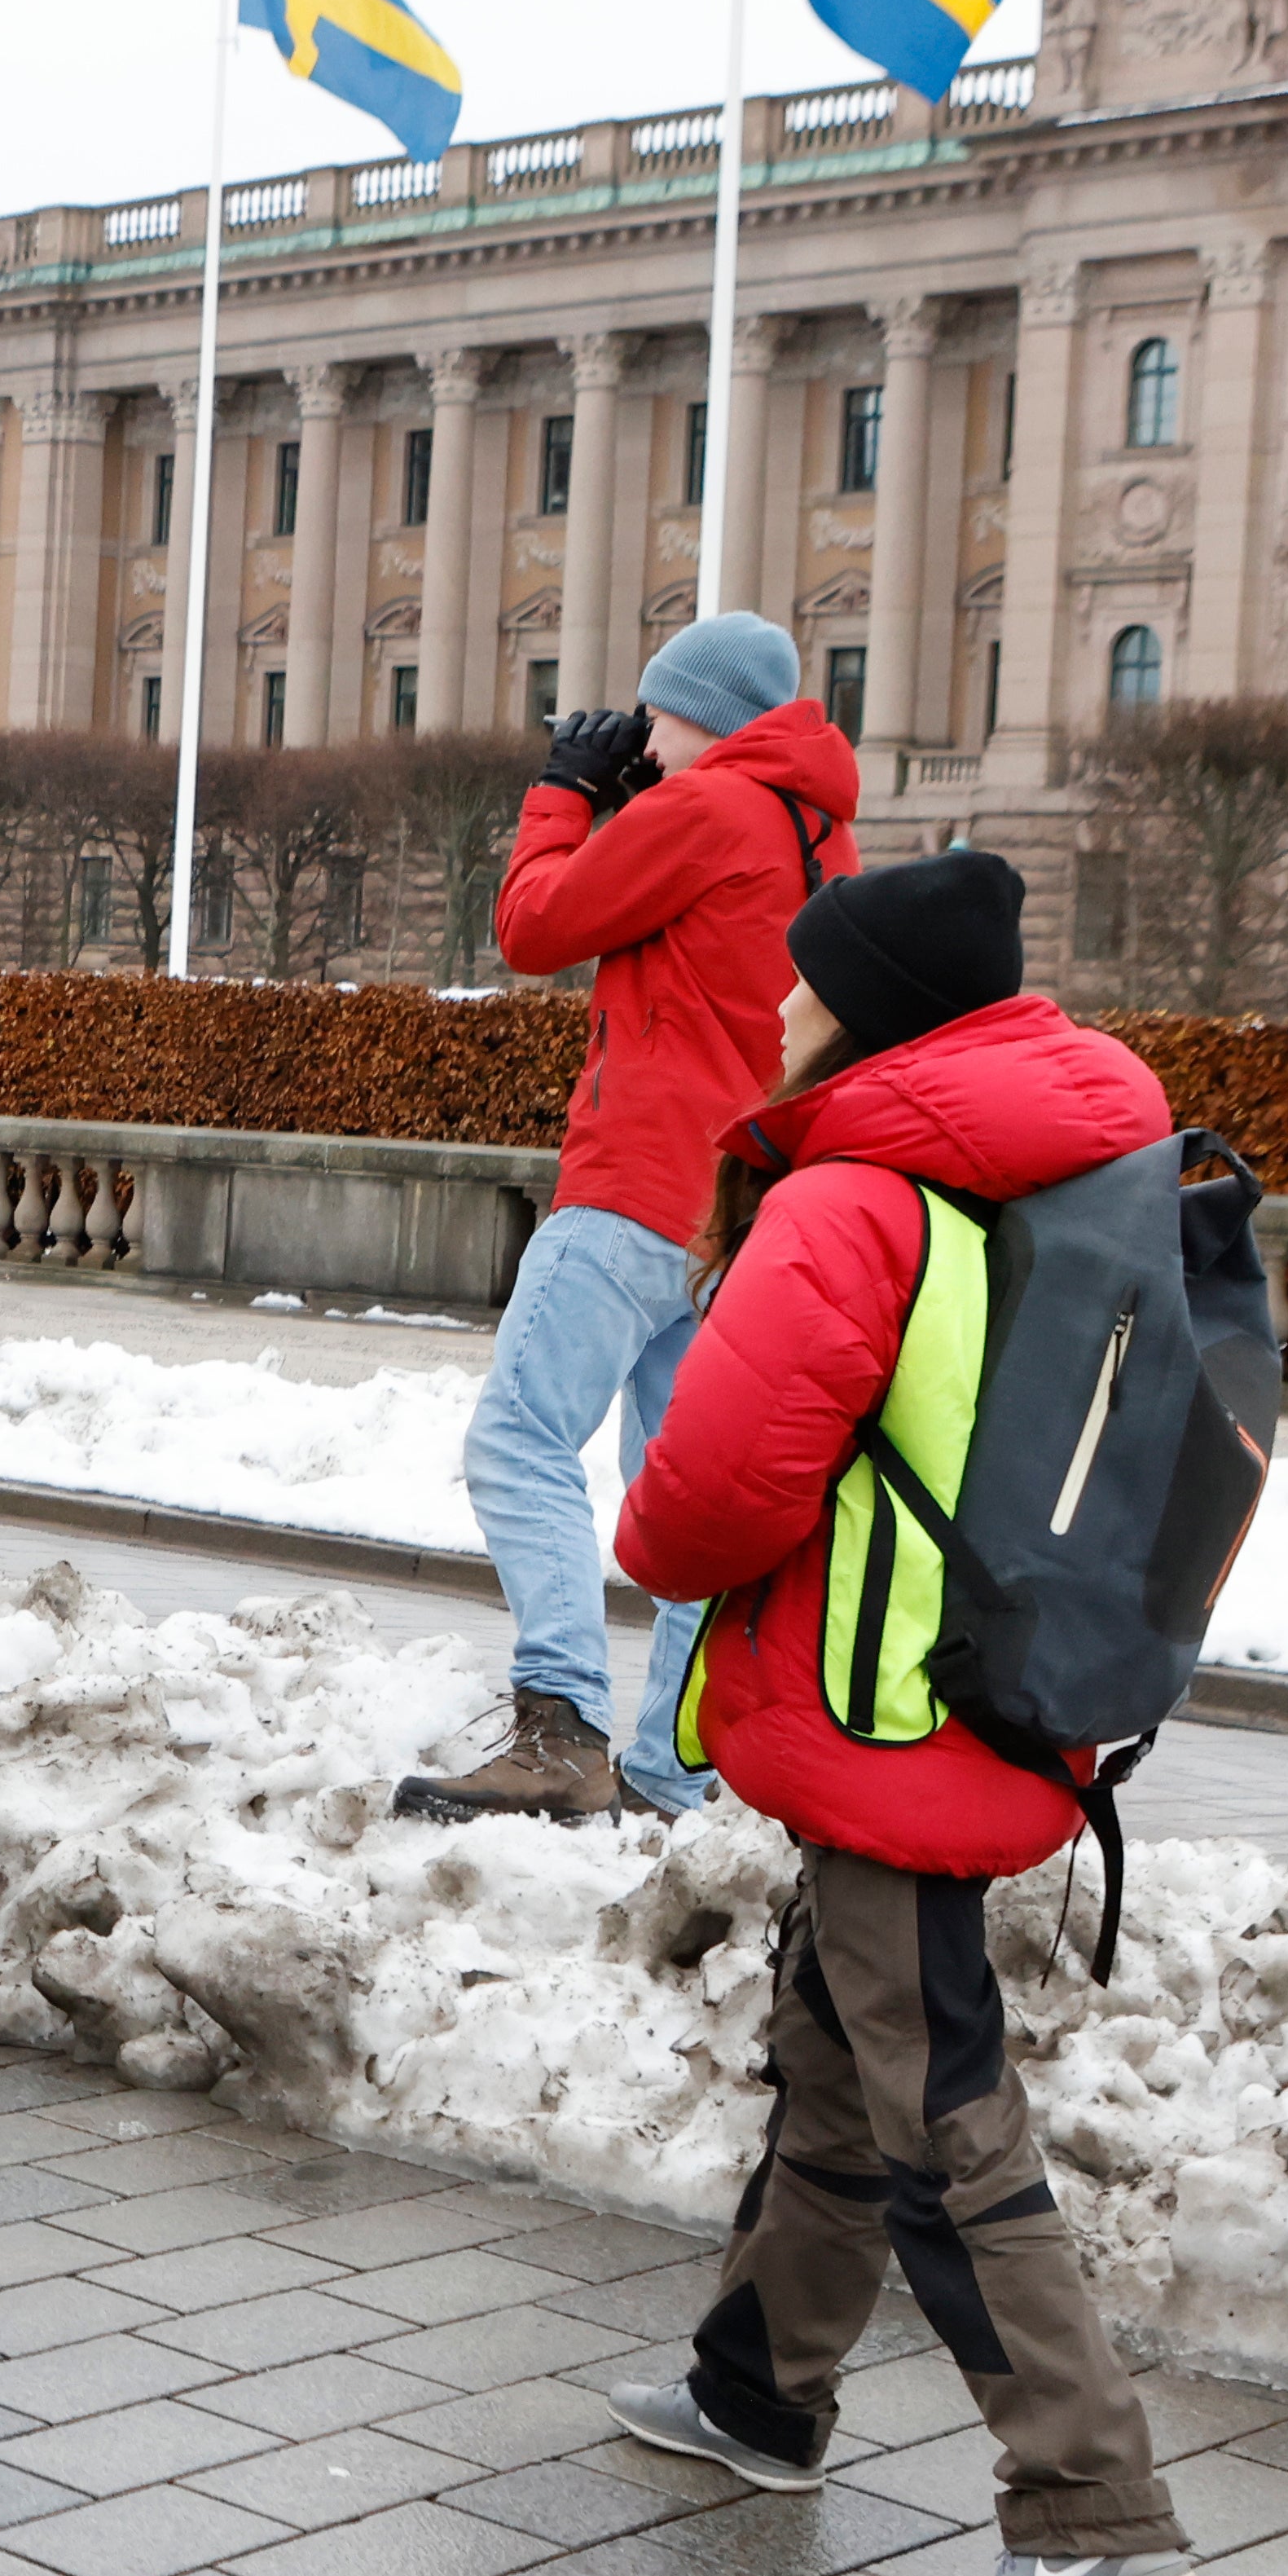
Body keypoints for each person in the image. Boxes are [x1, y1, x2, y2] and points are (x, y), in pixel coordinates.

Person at [598, 850, 1198, 2576]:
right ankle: (754, 2390)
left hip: (879, 1713)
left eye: (803, 984)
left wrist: (634, 1543)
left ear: (869, 1006)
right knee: (834, 2062)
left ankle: (1086, 2495)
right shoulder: (1068, 1165)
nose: (778, 1010)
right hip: (984, 1687)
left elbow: (704, 1490)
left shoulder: (856, 1193)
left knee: (933, 2103)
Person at [397, 614, 864, 1822]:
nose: (640, 744)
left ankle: (557, 1730)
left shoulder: (704, 807)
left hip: (635, 1187)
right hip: (733, 1216)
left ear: (703, 714)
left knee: (516, 1439)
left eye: (654, 719)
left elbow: (532, 928)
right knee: (674, 1491)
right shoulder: (817, 832)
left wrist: (560, 793)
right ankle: (666, 1774)